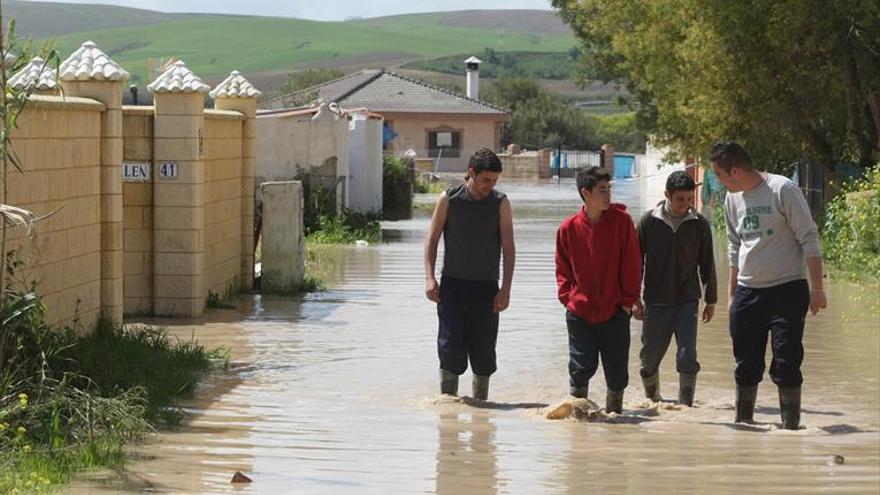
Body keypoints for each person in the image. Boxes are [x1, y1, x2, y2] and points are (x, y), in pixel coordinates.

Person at [710, 142, 827, 430]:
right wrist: (731, 295)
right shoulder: (731, 199)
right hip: (749, 292)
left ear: (735, 171)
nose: (719, 181)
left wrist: (817, 288)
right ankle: (744, 426)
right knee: (745, 364)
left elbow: (809, 238)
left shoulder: (782, 189)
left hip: (788, 288)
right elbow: (734, 247)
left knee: (787, 361)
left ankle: (790, 429)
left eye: (720, 174)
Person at [424, 148, 515, 400]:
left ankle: (481, 410)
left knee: (484, 351)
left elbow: (508, 248)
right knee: (450, 346)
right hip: (452, 287)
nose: (490, 185)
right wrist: (430, 278)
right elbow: (432, 240)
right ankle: (447, 407)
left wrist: (505, 289)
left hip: (486, 288)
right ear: (471, 173)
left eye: (495, 181)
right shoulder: (448, 199)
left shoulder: (500, 203)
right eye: (486, 179)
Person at [555, 166, 642, 413]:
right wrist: (567, 298)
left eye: (609, 189)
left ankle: (616, 421)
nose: (607, 195)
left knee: (616, 372)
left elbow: (632, 264)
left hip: (615, 309)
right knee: (581, 368)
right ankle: (578, 421)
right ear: (586, 193)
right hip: (579, 311)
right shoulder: (568, 228)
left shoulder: (622, 223)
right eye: (602, 190)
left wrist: (628, 301)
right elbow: (562, 270)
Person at [635, 170, 717, 406]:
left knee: (687, 356)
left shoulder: (699, 224)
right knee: (648, 361)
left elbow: (707, 264)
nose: (686, 205)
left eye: (690, 199)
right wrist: (633, 299)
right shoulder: (649, 221)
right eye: (680, 199)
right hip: (655, 301)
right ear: (667, 195)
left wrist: (711, 300)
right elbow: (635, 263)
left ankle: (686, 408)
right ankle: (652, 401)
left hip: (687, 300)